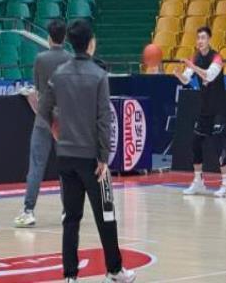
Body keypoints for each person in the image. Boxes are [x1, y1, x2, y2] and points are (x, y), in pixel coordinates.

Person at [38, 20, 136, 282]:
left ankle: (70, 276)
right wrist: (104, 156)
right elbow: (104, 119)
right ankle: (114, 270)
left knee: (71, 219)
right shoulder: (98, 76)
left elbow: (43, 108)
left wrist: (57, 131)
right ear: (91, 43)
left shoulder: (58, 75)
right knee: (106, 214)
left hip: (66, 157)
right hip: (92, 159)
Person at [14, 19, 71, 228]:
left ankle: (28, 211)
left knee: (36, 166)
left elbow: (38, 90)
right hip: (64, 120)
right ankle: (68, 211)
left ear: (49, 38)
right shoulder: (70, 60)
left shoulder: (40, 59)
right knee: (66, 167)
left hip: (44, 119)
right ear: (64, 37)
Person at [173, 26, 226, 198]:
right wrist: (179, 74)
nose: (200, 41)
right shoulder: (196, 57)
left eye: (203, 38)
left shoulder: (217, 58)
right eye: (198, 38)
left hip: (219, 108)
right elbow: (186, 79)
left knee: (218, 143)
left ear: (209, 39)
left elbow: (208, 76)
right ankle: (198, 181)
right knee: (196, 142)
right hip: (205, 109)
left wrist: (192, 65)